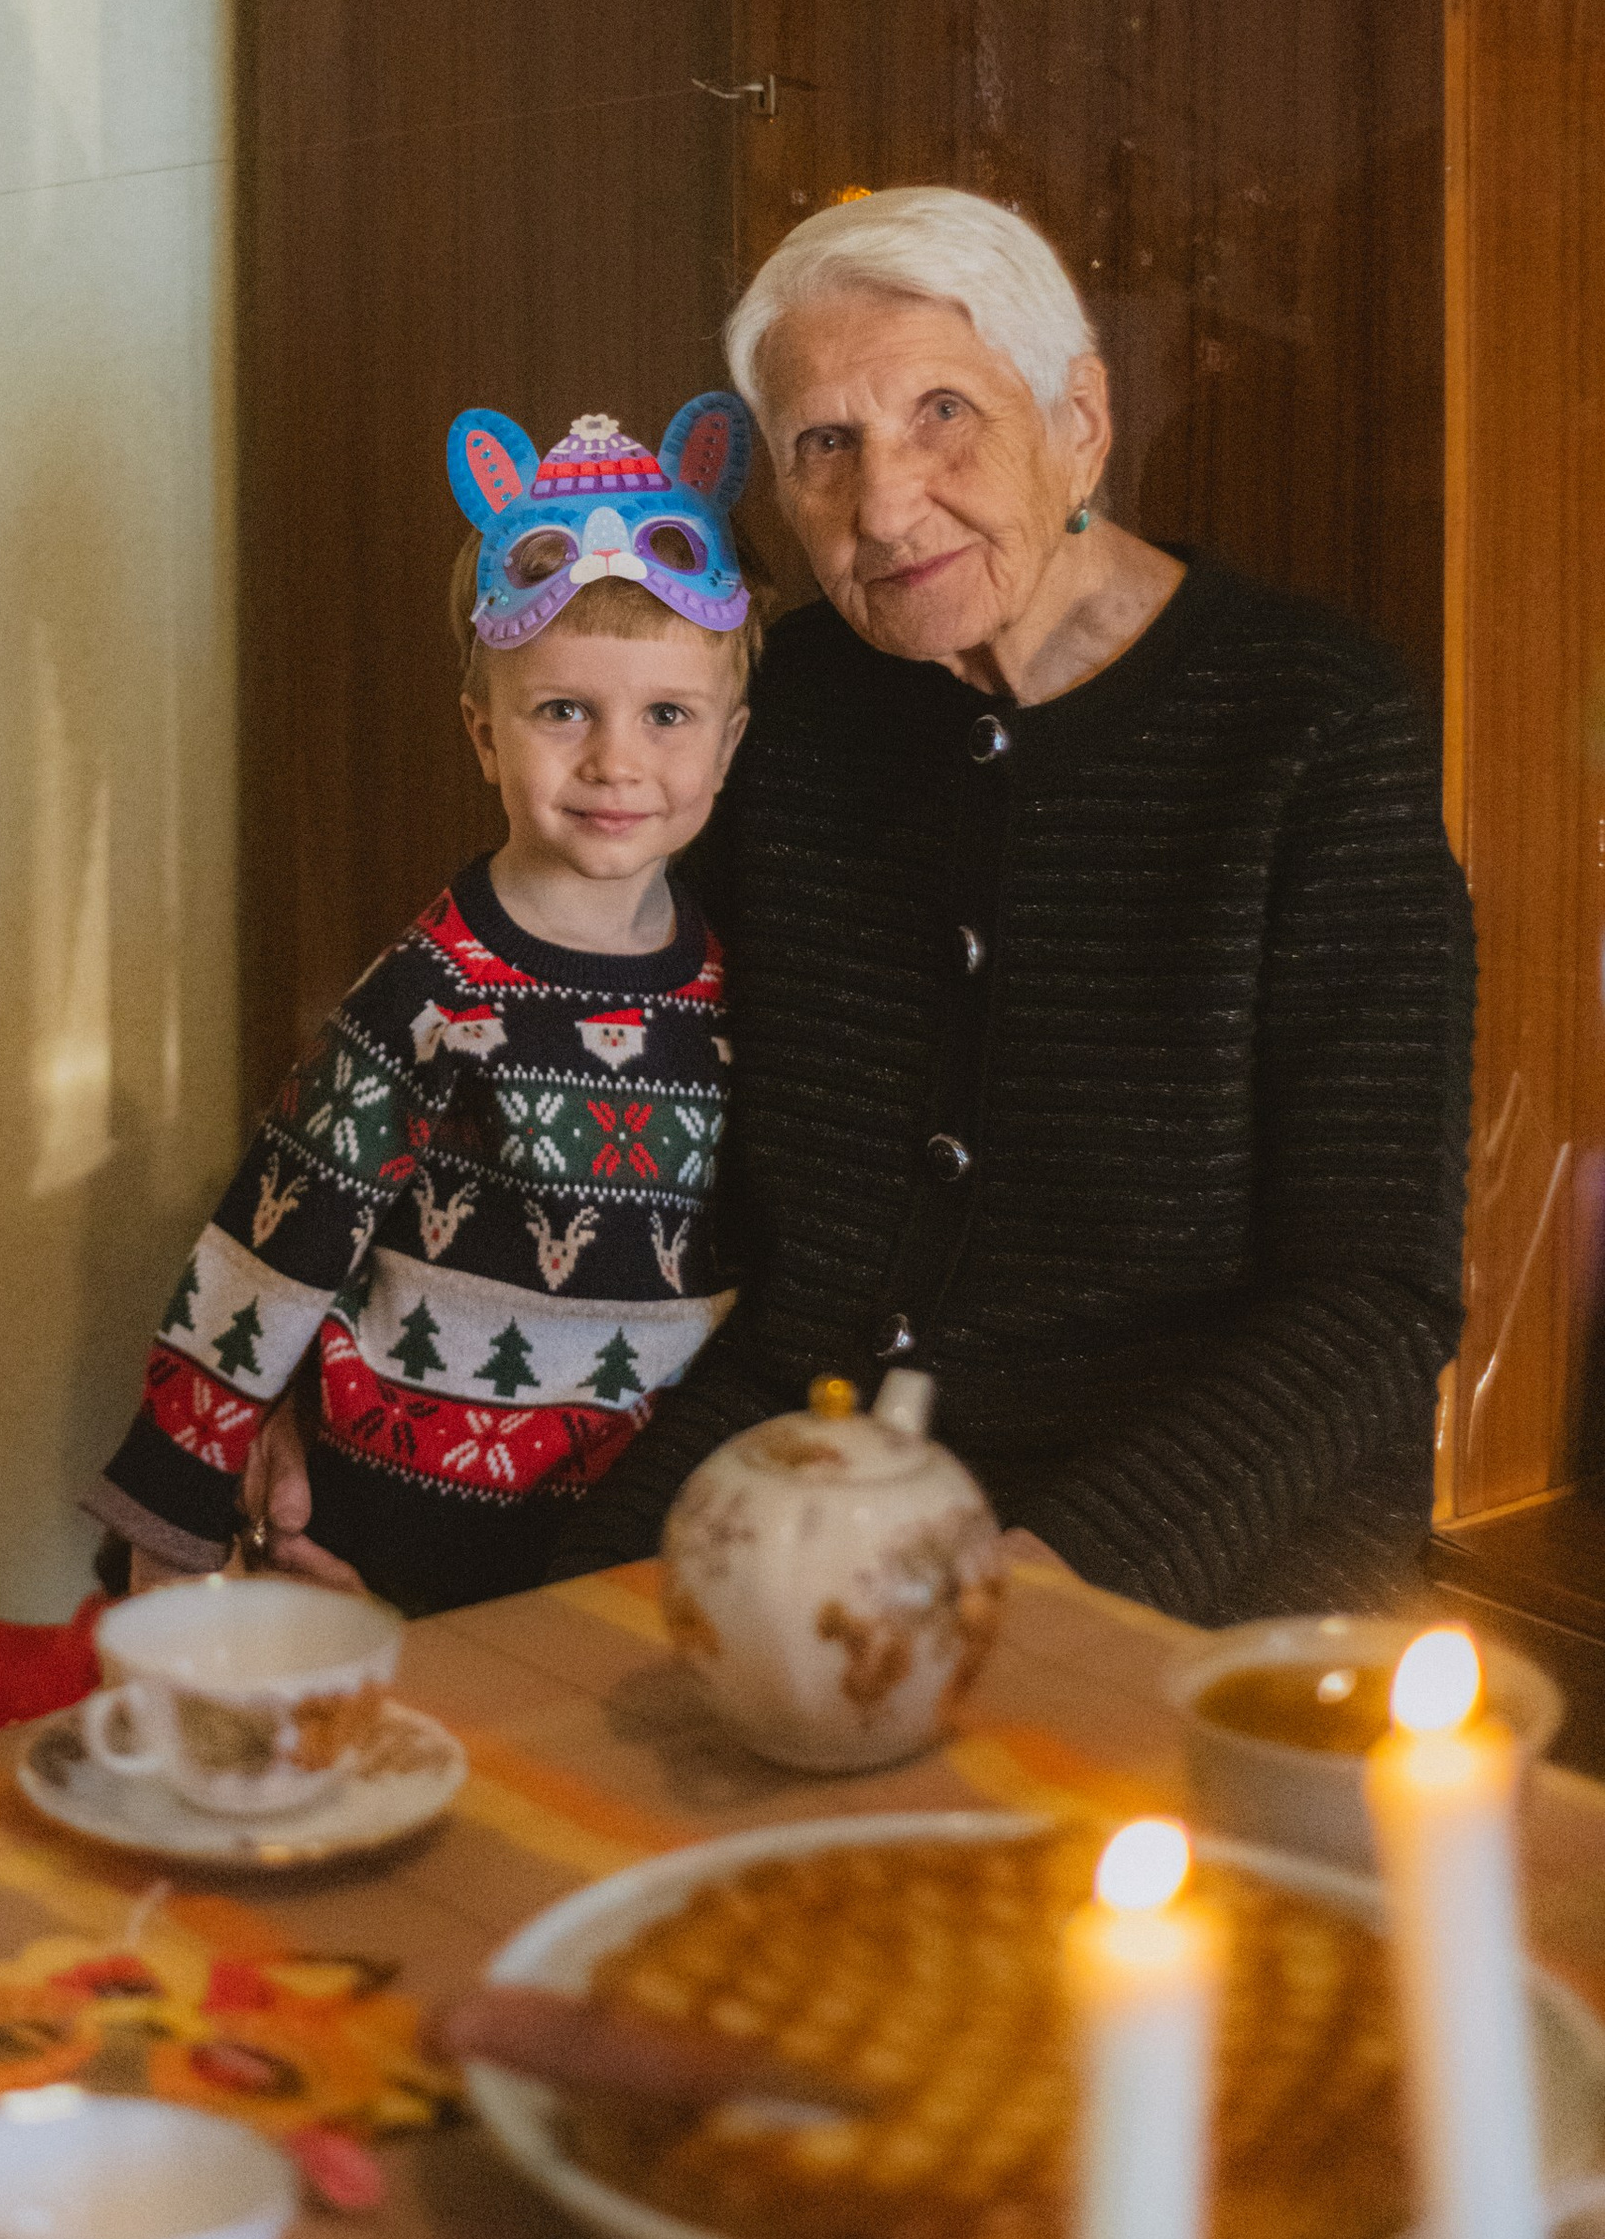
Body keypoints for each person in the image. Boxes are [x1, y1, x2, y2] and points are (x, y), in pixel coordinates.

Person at [256, 187, 1476, 1628]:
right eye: (824, 446)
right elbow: (517, 1025)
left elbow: (1378, 1294)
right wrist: (282, 1347)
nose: (885, 507)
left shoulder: (1314, 729)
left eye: (944, 415)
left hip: (1191, 1506)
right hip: (793, 1446)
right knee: (528, 1727)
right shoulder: (782, 709)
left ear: (1079, 419)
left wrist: (1054, 1572)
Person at [82, 396, 762, 1614]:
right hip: (390, 1529)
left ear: (728, 742)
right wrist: (170, 1535)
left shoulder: (736, 979)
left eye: (667, 716)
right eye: (564, 712)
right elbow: (269, 1241)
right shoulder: (433, 988)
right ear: (483, 734)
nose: (616, 761)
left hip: (629, 1546)